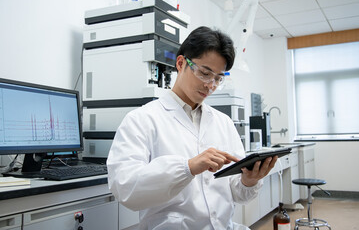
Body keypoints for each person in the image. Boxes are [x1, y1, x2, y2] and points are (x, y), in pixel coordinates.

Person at [107, 26, 278, 229]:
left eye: (218, 78)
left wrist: (249, 180)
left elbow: (237, 194)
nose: (210, 85)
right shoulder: (142, 119)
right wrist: (187, 167)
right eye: (204, 73)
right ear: (181, 63)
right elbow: (125, 189)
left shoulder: (223, 123)